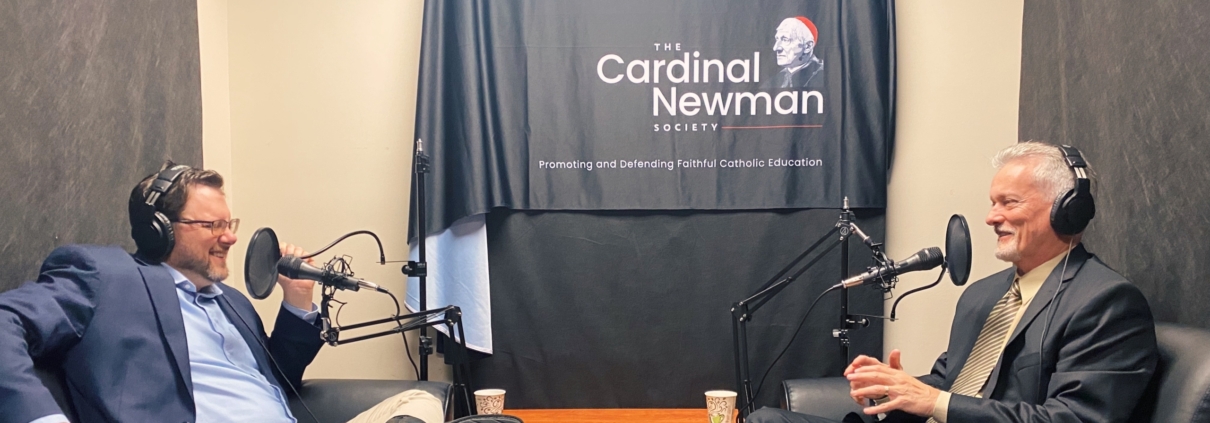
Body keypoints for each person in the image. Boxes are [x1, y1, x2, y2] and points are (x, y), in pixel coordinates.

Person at [0, 162, 444, 423]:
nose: (230, 237)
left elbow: (279, 381)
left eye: (228, 224)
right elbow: (6, 322)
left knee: (420, 401)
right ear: (158, 230)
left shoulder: (233, 303)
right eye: (212, 225)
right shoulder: (105, 275)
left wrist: (297, 300)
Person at [748, 141, 1158, 422]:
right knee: (765, 419)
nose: (991, 217)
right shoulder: (985, 294)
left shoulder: (1106, 302)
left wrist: (933, 401)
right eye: (992, 203)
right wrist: (895, 388)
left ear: (1068, 210)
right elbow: (948, 384)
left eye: (1009, 203)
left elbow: (1073, 419)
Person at [762, 16, 825, 89]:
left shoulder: (823, 76)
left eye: (785, 40)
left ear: (808, 46)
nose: (775, 48)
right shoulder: (772, 82)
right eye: (777, 39)